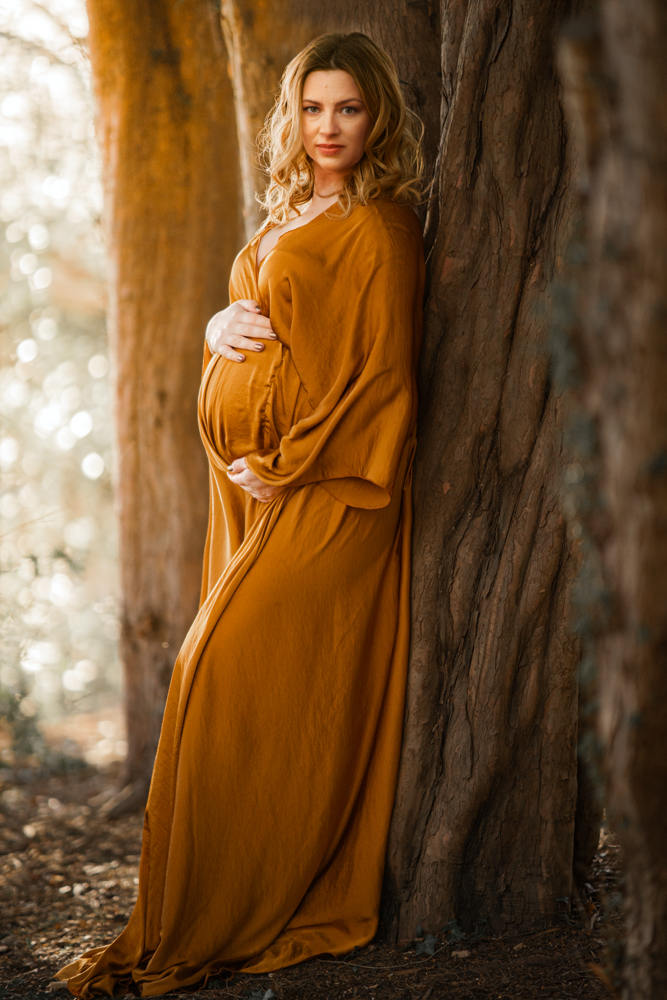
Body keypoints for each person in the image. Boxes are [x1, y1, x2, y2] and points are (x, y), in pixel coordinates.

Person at [57, 31, 425, 998]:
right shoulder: (286, 214)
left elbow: (383, 378)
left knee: (216, 674)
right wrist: (217, 332)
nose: (329, 127)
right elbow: (253, 329)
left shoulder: (380, 228)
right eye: (313, 108)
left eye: (347, 108)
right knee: (216, 683)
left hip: (335, 495)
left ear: (374, 113)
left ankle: (234, 905)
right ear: (291, 117)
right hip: (256, 492)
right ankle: (195, 905)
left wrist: (295, 462)